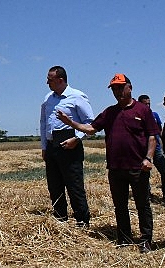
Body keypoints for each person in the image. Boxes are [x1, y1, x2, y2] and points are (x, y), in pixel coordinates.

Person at [57, 73, 158, 253]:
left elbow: (152, 136)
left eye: (121, 87)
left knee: (142, 205)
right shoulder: (110, 112)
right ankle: (124, 238)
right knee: (120, 205)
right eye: (114, 89)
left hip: (138, 167)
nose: (117, 91)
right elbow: (90, 129)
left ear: (130, 87)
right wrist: (70, 122)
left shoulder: (142, 110)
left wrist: (148, 158)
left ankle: (145, 240)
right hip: (115, 167)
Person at [40, 66, 94, 227]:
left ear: (60, 80)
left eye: (50, 80)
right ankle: (60, 219)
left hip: (70, 145)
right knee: (54, 186)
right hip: (51, 146)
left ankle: (82, 221)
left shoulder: (77, 96)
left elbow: (90, 122)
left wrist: (76, 139)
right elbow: (43, 123)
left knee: (74, 185)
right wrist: (44, 147)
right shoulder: (48, 98)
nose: (47, 82)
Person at [138, 94, 165, 204]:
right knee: (144, 173)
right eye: (145, 104)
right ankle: (147, 194)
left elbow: (159, 131)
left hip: (156, 149)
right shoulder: (137, 117)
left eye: (149, 103)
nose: (147, 106)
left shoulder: (155, 115)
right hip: (143, 150)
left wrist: (163, 145)